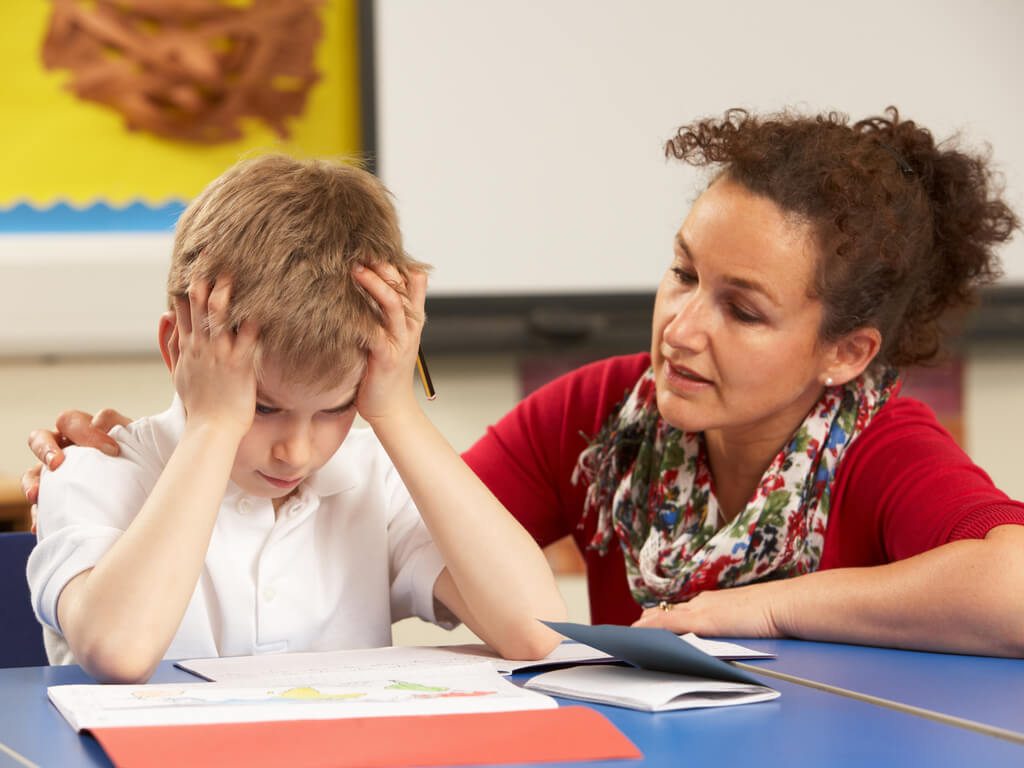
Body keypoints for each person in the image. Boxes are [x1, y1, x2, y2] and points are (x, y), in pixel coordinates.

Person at [25, 107, 1024, 658]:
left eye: (742, 308)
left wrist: (767, 605)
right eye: (681, 273)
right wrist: (205, 432)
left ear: (843, 351)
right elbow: (461, 544)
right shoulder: (600, 415)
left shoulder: (880, 447)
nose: (680, 326)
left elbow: (1014, 589)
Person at [24, 154, 565, 684]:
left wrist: (396, 411)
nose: (296, 452)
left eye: (335, 408)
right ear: (178, 349)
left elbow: (539, 633)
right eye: (262, 407)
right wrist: (214, 426)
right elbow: (119, 652)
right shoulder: (91, 470)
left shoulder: (373, 479)